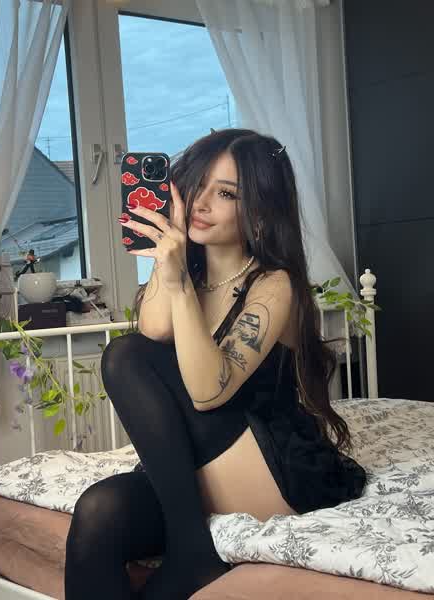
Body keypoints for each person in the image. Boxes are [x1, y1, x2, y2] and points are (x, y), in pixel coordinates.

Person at [64, 129, 367, 600]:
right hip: (199, 473)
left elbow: (207, 392)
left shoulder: (274, 285)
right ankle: (191, 548)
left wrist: (179, 284)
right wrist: (169, 259)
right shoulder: (189, 272)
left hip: (266, 467)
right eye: (197, 186)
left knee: (123, 354)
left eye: (226, 193)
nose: (201, 203)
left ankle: (192, 554)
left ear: (259, 210)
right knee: (98, 510)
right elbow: (155, 331)